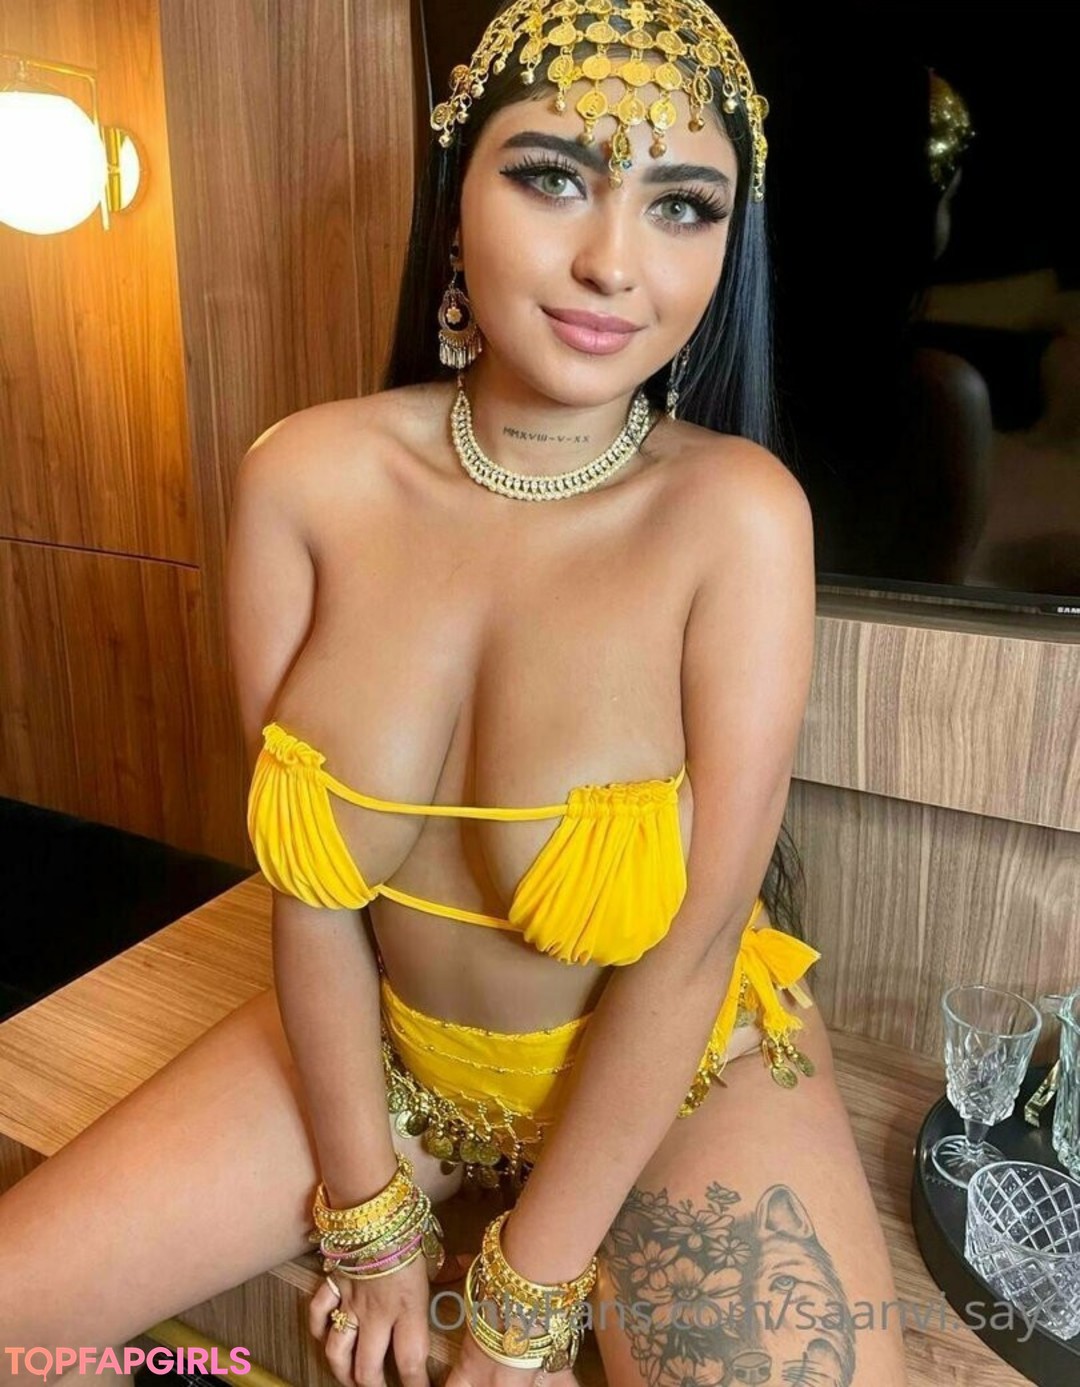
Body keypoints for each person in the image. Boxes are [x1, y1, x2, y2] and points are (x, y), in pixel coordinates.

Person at [0, 3, 908, 1385]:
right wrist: (365, 1216)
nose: (615, 263)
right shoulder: (305, 480)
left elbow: (694, 944)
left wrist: (524, 1297)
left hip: (675, 1076)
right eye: (552, 177)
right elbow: (311, 896)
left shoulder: (739, 519)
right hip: (395, 1055)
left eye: (682, 204)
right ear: (454, 195)